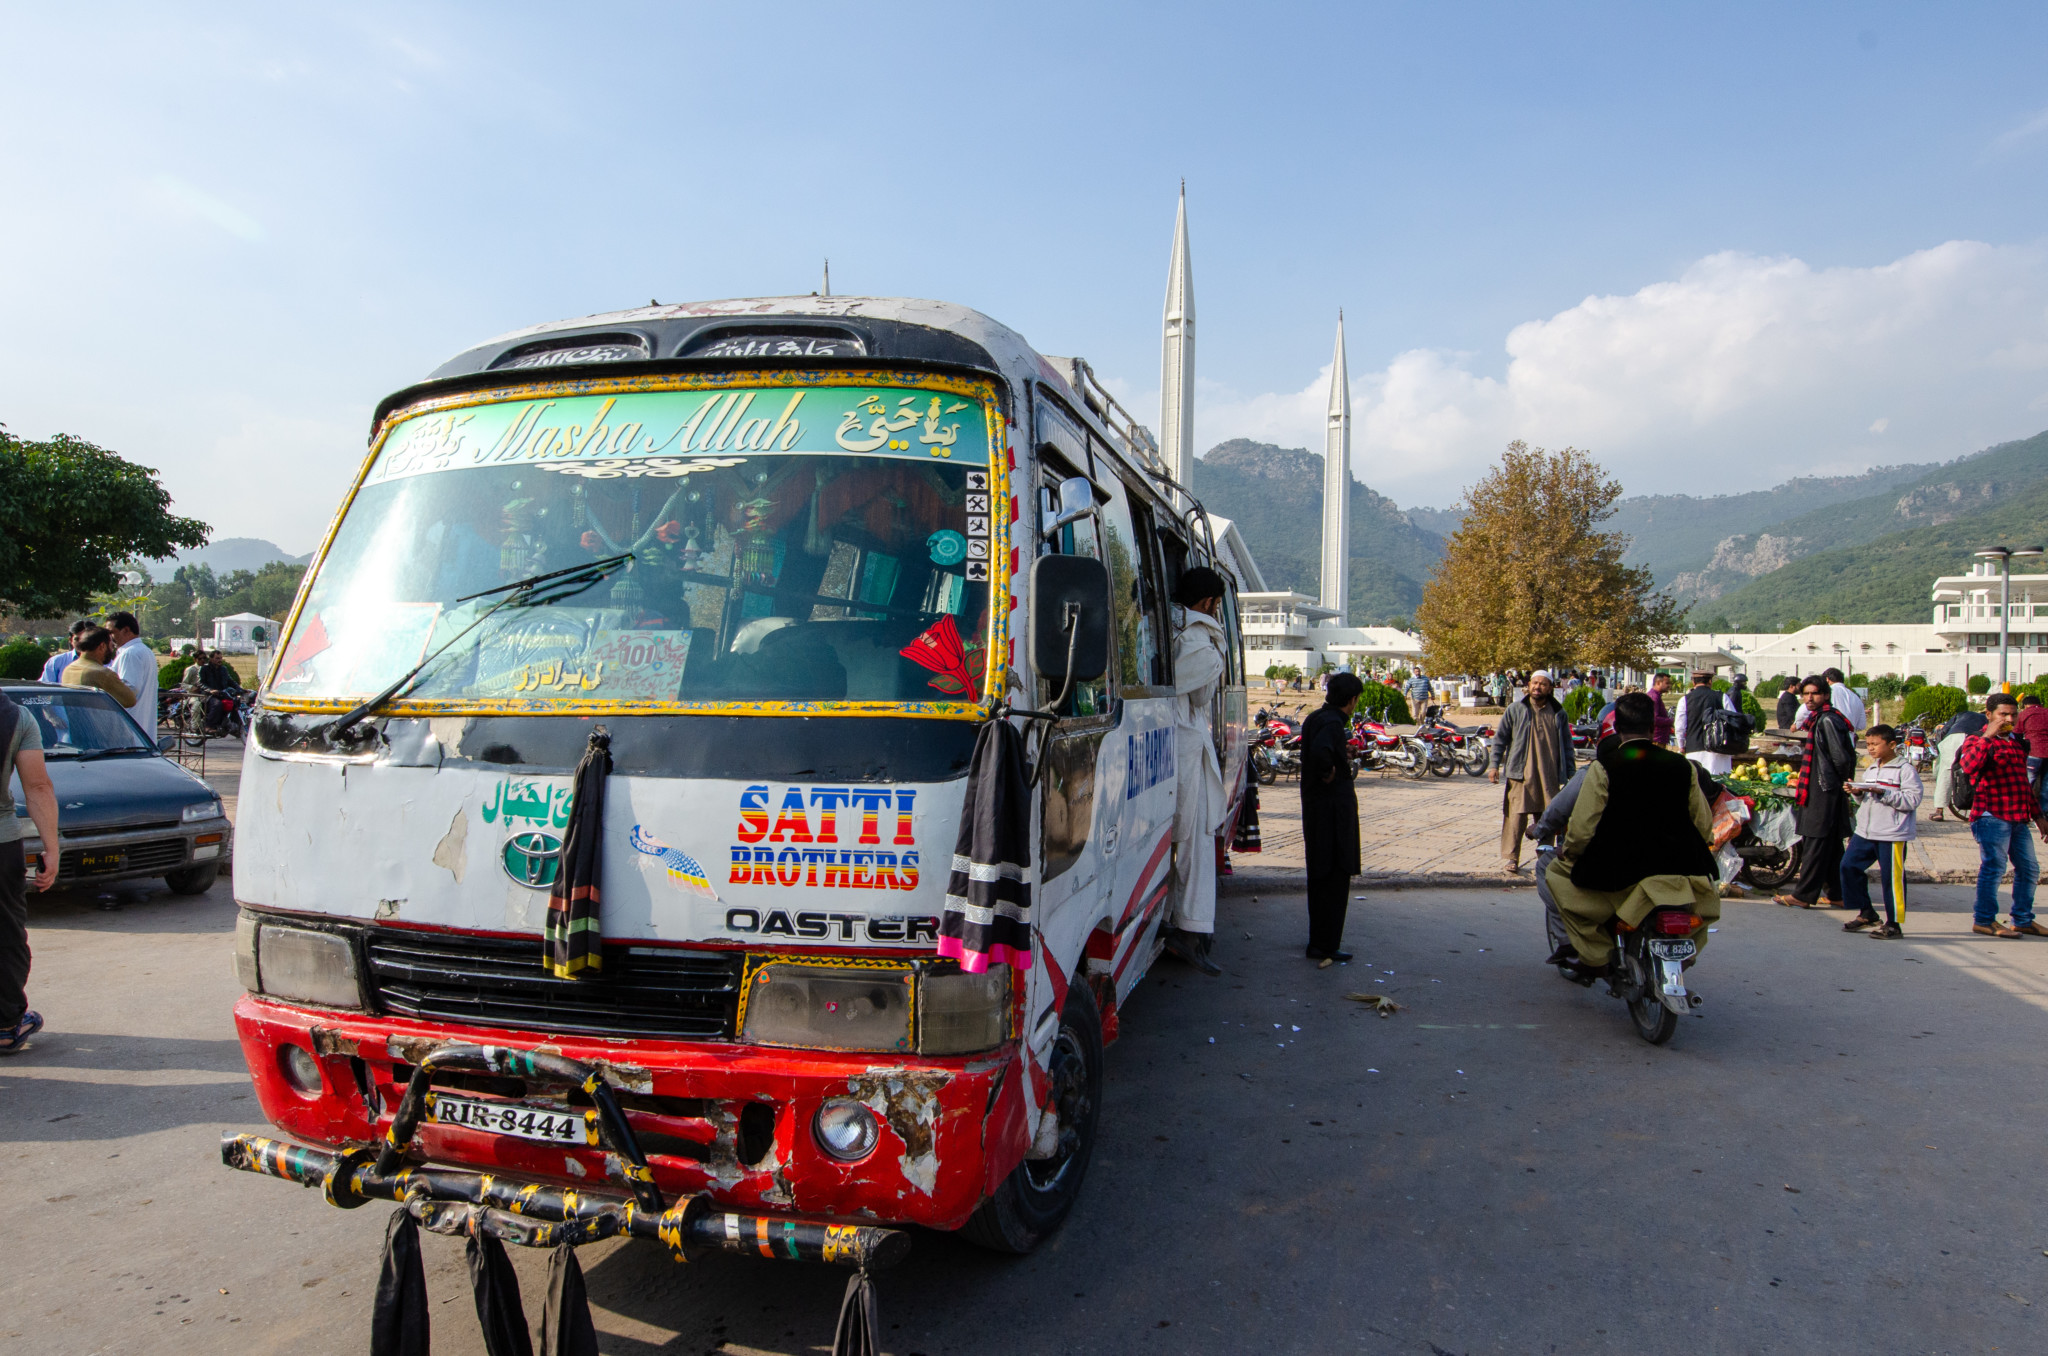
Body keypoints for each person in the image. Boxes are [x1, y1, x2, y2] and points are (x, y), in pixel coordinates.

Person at [1542, 692, 1720, 984]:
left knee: (1556, 875)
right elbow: (1703, 824)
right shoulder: (1683, 767)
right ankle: (1682, 954)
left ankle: (1597, 957)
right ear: (1653, 729)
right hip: (1679, 868)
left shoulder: (1604, 768)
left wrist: (1569, 852)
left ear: (1618, 729)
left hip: (1618, 872)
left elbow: (1584, 826)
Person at [1162, 568, 1231, 976]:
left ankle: (1179, 921)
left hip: (1177, 744)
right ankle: (1189, 929)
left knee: (1184, 840)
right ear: (1207, 604)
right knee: (1195, 841)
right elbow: (1202, 692)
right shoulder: (1198, 641)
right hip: (1187, 744)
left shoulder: (1169, 628)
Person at [1954, 693, 2044, 939]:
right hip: (1990, 815)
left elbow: (2023, 785)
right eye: (2003, 714)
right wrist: (1987, 736)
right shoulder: (1977, 740)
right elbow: (1970, 766)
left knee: (2029, 869)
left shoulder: (2016, 742)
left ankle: (2023, 919)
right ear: (1989, 714)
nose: (2009, 719)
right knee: (1994, 868)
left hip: (2018, 818)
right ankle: (1983, 920)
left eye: (2013, 715)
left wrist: (2039, 816)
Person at [1, 689, 58, 1052]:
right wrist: (51, 846)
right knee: (5, 933)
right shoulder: (15, 717)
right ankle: (6, 1025)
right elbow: (36, 785)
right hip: (1, 845)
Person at [1773, 677, 1856, 909]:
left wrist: (1839, 785)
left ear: (1826, 695)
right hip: (1826, 787)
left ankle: (1804, 894)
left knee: (1815, 842)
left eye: (1815, 694)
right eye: (1806, 694)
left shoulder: (1827, 720)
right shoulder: (1822, 718)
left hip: (1824, 789)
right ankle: (1838, 893)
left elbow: (1841, 759)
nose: (1809, 698)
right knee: (1830, 846)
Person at [1301, 672, 1363, 963]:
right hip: (1332, 815)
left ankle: (1318, 941)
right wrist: (1329, 772)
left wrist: (1342, 754)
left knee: (1319, 876)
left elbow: (1324, 749)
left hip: (1317, 812)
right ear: (1351, 700)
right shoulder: (1333, 723)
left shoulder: (1317, 717)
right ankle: (1326, 944)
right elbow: (1321, 752)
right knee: (1334, 878)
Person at [1490, 670, 1575, 874]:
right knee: (1516, 819)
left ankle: (1544, 856)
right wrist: (1493, 765)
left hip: (1549, 776)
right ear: (1528, 686)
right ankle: (1512, 858)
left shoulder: (1558, 713)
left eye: (1543, 684)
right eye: (1534, 683)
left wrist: (1571, 774)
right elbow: (1500, 739)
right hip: (1520, 774)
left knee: (1549, 818)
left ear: (1550, 688)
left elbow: (1567, 745)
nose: (1537, 687)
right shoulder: (1516, 709)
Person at [1841, 724, 1922, 939]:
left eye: (1875, 744)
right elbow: (1865, 800)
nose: (1871, 749)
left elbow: (1912, 800)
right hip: (1866, 831)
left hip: (1892, 833)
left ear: (1892, 744)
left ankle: (1893, 924)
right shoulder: (1871, 768)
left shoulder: (1905, 770)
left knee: (1892, 879)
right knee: (1848, 866)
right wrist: (1857, 792)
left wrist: (1883, 792)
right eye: (1868, 745)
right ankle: (1866, 912)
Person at [1929, 708, 1987, 823]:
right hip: (1974, 739)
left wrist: (1940, 748)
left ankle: (1939, 811)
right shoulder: (1988, 719)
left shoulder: (1962, 714)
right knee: (1975, 771)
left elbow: (1944, 730)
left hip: (1953, 739)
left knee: (1945, 773)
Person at [1679, 670, 1740, 775]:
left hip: (1694, 750)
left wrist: (1681, 745)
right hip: (1719, 751)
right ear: (1710, 681)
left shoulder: (1684, 700)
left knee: (1698, 785)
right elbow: (1733, 721)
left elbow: (1680, 727)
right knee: (1720, 784)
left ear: (1693, 682)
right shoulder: (1722, 697)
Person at [60, 627, 137, 708]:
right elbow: (130, 701)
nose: (112, 650)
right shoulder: (102, 674)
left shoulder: (68, 669)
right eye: (112, 645)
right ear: (102, 646)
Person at [106, 611, 158, 730]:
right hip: (141, 726)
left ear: (126, 630)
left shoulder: (130, 654)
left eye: (112, 632)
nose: (109, 637)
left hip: (129, 727)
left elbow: (129, 689)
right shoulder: (144, 651)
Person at [2014, 693, 2048, 838]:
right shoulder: (2047, 712)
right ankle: (2044, 816)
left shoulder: (2025, 714)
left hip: (2034, 753)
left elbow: (2016, 733)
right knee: (2046, 788)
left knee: (2026, 785)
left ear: (2026, 705)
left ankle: (2023, 815)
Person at [1649, 673, 1677, 747]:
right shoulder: (1654, 697)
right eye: (1667, 683)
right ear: (1658, 683)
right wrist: (1671, 721)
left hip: (1659, 739)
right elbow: (1654, 719)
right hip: (1656, 740)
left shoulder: (1656, 696)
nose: (1669, 686)